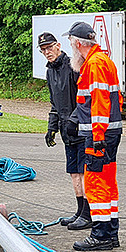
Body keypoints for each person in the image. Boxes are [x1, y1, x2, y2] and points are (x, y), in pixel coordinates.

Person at [64, 21, 122, 251]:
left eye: (71, 42)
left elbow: (99, 101)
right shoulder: (103, 60)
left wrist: (97, 135)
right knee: (108, 183)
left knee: (96, 183)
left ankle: (100, 235)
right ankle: (110, 233)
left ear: (78, 43)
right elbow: (112, 100)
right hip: (110, 133)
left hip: (100, 135)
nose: (71, 46)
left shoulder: (95, 64)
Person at [39, 31, 92, 231]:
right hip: (66, 130)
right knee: (74, 173)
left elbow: (84, 97)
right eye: (43, 50)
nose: (47, 52)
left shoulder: (73, 66)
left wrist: (74, 120)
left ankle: (88, 214)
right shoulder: (50, 72)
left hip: (81, 128)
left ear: (58, 46)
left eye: (49, 48)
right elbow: (55, 103)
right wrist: (52, 127)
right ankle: (79, 211)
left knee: (84, 172)